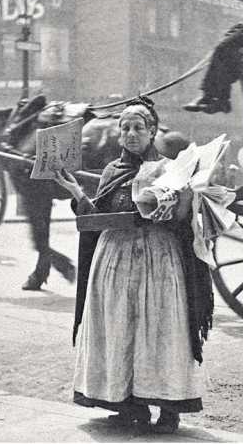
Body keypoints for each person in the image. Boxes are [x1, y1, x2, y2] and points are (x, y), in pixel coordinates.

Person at [54, 99, 213, 434]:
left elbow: (183, 220)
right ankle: (127, 405)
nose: (131, 133)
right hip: (114, 261)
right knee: (118, 330)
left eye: (139, 127)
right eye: (125, 127)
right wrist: (75, 192)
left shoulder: (171, 169)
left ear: (152, 131)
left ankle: (169, 409)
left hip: (158, 261)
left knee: (161, 331)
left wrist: (185, 201)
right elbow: (98, 217)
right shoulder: (111, 171)